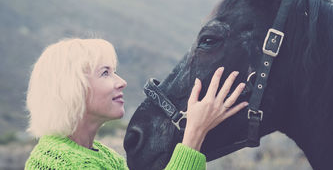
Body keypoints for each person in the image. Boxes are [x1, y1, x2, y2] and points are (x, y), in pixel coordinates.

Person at [25, 38, 248, 169]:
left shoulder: (104, 156)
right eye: (105, 73)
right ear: (73, 87)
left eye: (115, 72)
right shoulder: (57, 163)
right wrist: (194, 134)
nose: (122, 82)